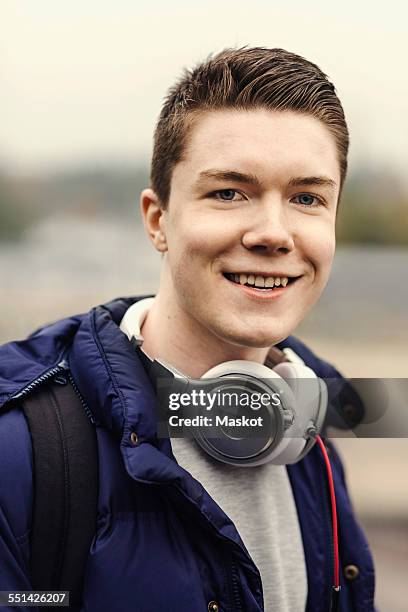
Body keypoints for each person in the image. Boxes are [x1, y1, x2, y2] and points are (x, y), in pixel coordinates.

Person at [0, 47, 375, 611]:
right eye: (229, 192)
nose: (273, 233)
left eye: (307, 198)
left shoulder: (313, 429)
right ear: (158, 220)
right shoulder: (22, 446)